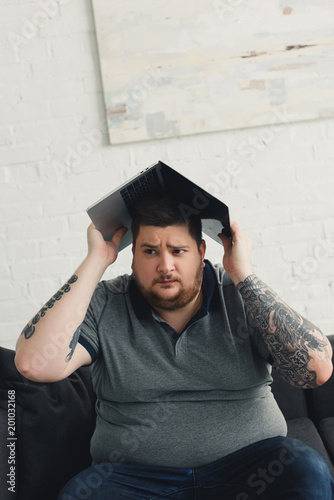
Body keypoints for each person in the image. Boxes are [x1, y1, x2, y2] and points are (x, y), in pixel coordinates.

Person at [15, 195, 334, 500]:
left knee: (306, 469)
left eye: (178, 251)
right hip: (135, 480)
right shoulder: (104, 302)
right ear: (133, 257)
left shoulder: (239, 294)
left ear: (201, 251)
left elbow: (316, 371)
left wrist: (243, 275)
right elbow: (35, 365)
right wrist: (96, 261)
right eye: (150, 252)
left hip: (251, 469)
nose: (165, 265)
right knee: (81, 492)